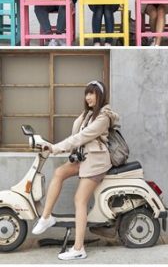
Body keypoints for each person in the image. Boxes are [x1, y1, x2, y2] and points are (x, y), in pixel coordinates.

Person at [31, 80, 119, 261]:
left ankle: (79, 248)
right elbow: (75, 135)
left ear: (100, 95)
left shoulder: (103, 118)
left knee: (79, 199)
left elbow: (80, 137)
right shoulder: (89, 114)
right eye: (86, 93)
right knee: (59, 172)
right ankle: (46, 217)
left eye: (92, 93)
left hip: (96, 162)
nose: (88, 97)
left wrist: (55, 148)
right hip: (84, 158)